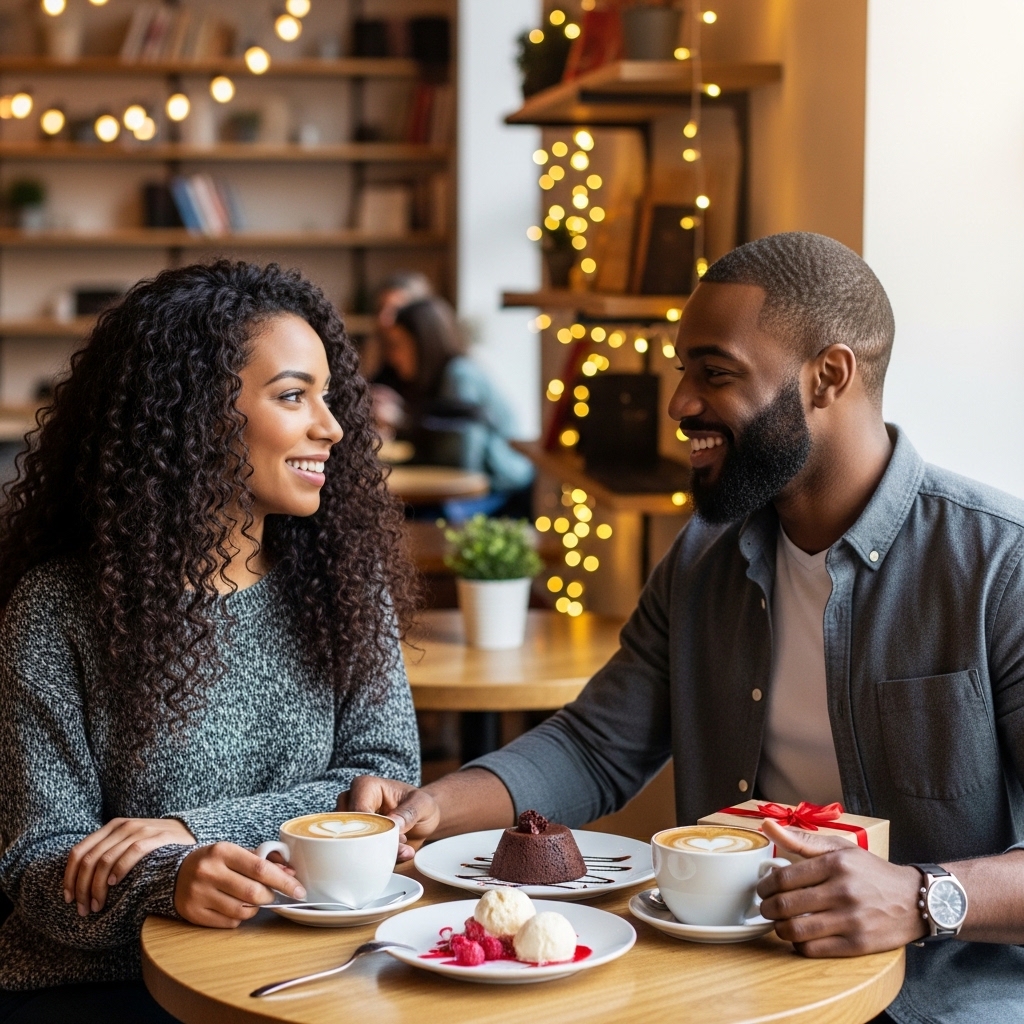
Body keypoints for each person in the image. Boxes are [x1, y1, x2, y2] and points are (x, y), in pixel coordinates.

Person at [344, 233, 1024, 1024]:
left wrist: (922, 896)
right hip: (728, 985)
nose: (679, 404)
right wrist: (431, 806)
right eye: (682, 370)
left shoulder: (998, 566)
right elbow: (596, 746)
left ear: (828, 377)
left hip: (938, 1000)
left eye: (716, 372)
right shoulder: (703, 557)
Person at [0, 262, 421, 1022]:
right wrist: (171, 880)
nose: (332, 426)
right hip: (108, 985)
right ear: (192, 415)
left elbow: (383, 781)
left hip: (300, 965)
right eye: (294, 396)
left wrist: (195, 832)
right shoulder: (58, 609)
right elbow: (35, 865)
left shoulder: (345, 589)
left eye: (328, 395)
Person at [372, 296, 534, 518]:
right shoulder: (438, 379)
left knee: (407, 517)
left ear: (422, 343)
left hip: (503, 492)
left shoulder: (460, 376)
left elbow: (461, 461)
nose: (393, 357)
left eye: (399, 345)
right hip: (486, 488)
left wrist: (403, 422)